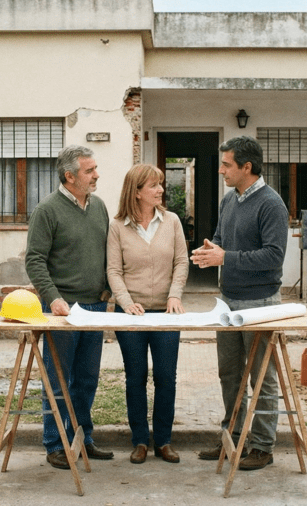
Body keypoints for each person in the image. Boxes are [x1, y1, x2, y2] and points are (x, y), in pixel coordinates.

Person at [190, 135, 289, 471]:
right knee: (229, 374)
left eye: (227, 165)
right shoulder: (229, 200)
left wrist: (226, 257)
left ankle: (262, 446)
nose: (221, 171)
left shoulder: (272, 204)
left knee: (261, 376)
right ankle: (233, 436)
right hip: (228, 302)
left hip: (260, 303)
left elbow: (274, 257)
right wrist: (211, 250)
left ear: (247, 167)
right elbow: (221, 238)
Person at [25, 145, 114, 469]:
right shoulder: (47, 210)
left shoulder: (99, 206)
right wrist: (54, 298)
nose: (96, 175)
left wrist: (108, 288)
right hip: (62, 310)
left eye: (94, 169)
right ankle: (55, 443)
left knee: (87, 378)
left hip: (94, 308)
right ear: (70, 176)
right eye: (90, 171)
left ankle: (82, 438)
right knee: (58, 378)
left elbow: (107, 251)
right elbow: (34, 260)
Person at [106, 164, 188, 465]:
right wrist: (126, 302)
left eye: (161, 184)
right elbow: (113, 270)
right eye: (154, 185)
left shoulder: (172, 221)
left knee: (167, 378)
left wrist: (174, 294)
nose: (161, 190)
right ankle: (140, 440)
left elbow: (181, 262)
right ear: (137, 191)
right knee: (135, 378)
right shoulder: (117, 226)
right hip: (131, 316)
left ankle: (163, 441)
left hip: (167, 314)